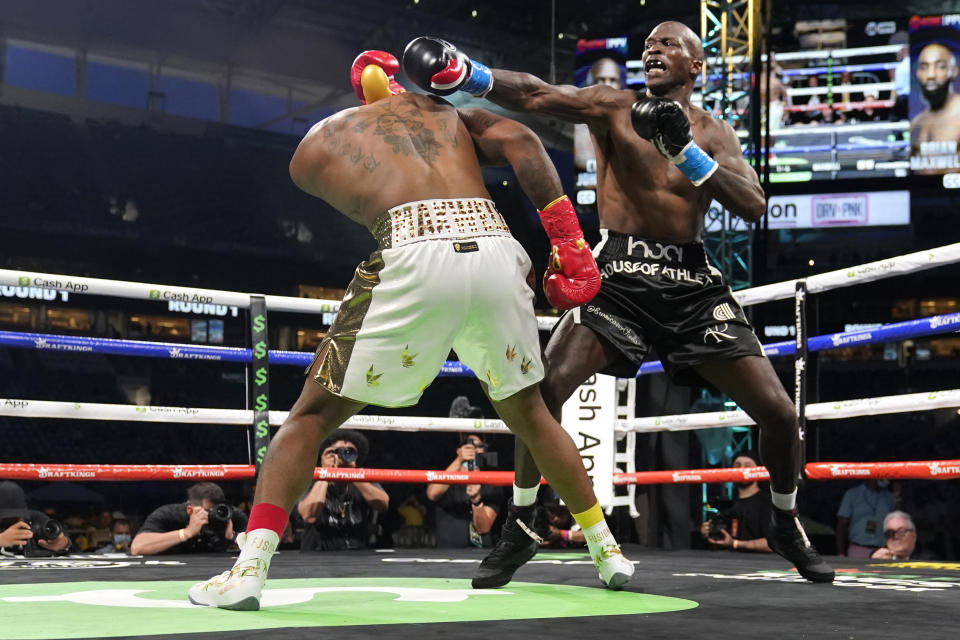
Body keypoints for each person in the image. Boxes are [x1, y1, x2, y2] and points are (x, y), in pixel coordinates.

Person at [188, 48, 633, 611]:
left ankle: (249, 569)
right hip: (495, 246)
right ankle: (608, 552)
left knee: (311, 416)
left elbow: (345, 187)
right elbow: (523, 142)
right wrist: (568, 239)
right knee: (532, 415)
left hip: (414, 243)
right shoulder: (445, 111)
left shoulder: (320, 140)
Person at [402, 21, 834, 585]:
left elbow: (753, 204)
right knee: (544, 389)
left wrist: (685, 152)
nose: (653, 50)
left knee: (778, 412)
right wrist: (468, 73)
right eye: (649, 44)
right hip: (620, 277)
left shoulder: (714, 134)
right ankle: (523, 522)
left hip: (691, 283)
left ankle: (783, 519)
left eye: (669, 44)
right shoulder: (614, 107)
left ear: (695, 66)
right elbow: (536, 93)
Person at [297, 429, 388, 550]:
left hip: (358, 554)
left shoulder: (363, 478)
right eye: (335, 452)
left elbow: (383, 505)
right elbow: (309, 515)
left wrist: (352, 474)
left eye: (350, 452)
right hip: (319, 556)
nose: (344, 455)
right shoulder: (311, 480)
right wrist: (326, 473)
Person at [427, 434, 502, 547]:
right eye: (469, 445)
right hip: (447, 551)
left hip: (480, 552)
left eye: (479, 446)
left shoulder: (491, 481)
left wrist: (476, 500)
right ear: (459, 450)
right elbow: (432, 494)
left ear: (484, 451)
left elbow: (484, 528)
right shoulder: (446, 475)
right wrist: (459, 460)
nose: (473, 449)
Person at [130, 482, 247, 555]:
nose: (213, 515)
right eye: (208, 511)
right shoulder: (172, 514)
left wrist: (234, 537)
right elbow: (138, 547)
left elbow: (260, 546)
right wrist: (186, 533)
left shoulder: (230, 516)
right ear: (190, 510)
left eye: (216, 510)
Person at [699, 451, 772, 553]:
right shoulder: (726, 504)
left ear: (758, 470)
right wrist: (708, 532)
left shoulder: (768, 503)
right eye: (738, 465)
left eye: (747, 466)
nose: (742, 470)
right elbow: (722, 538)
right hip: (729, 563)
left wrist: (735, 543)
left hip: (761, 564)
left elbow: (773, 544)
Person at [910, 43, 960, 151]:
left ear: (953, 71)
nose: (931, 75)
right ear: (917, 73)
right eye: (924, 67)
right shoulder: (916, 124)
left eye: (940, 66)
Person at [0, 480, 71, 555]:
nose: (12, 523)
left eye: (15, 518)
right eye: (6, 520)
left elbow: (65, 539)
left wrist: (63, 544)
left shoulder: (35, 518)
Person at [835, 479, 896, 558]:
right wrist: (841, 553)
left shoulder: (889, 497)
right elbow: (842, 525)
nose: (885, 478)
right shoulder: (853, 494)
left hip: (882, 551)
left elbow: (897, 523)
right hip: (858, 549)